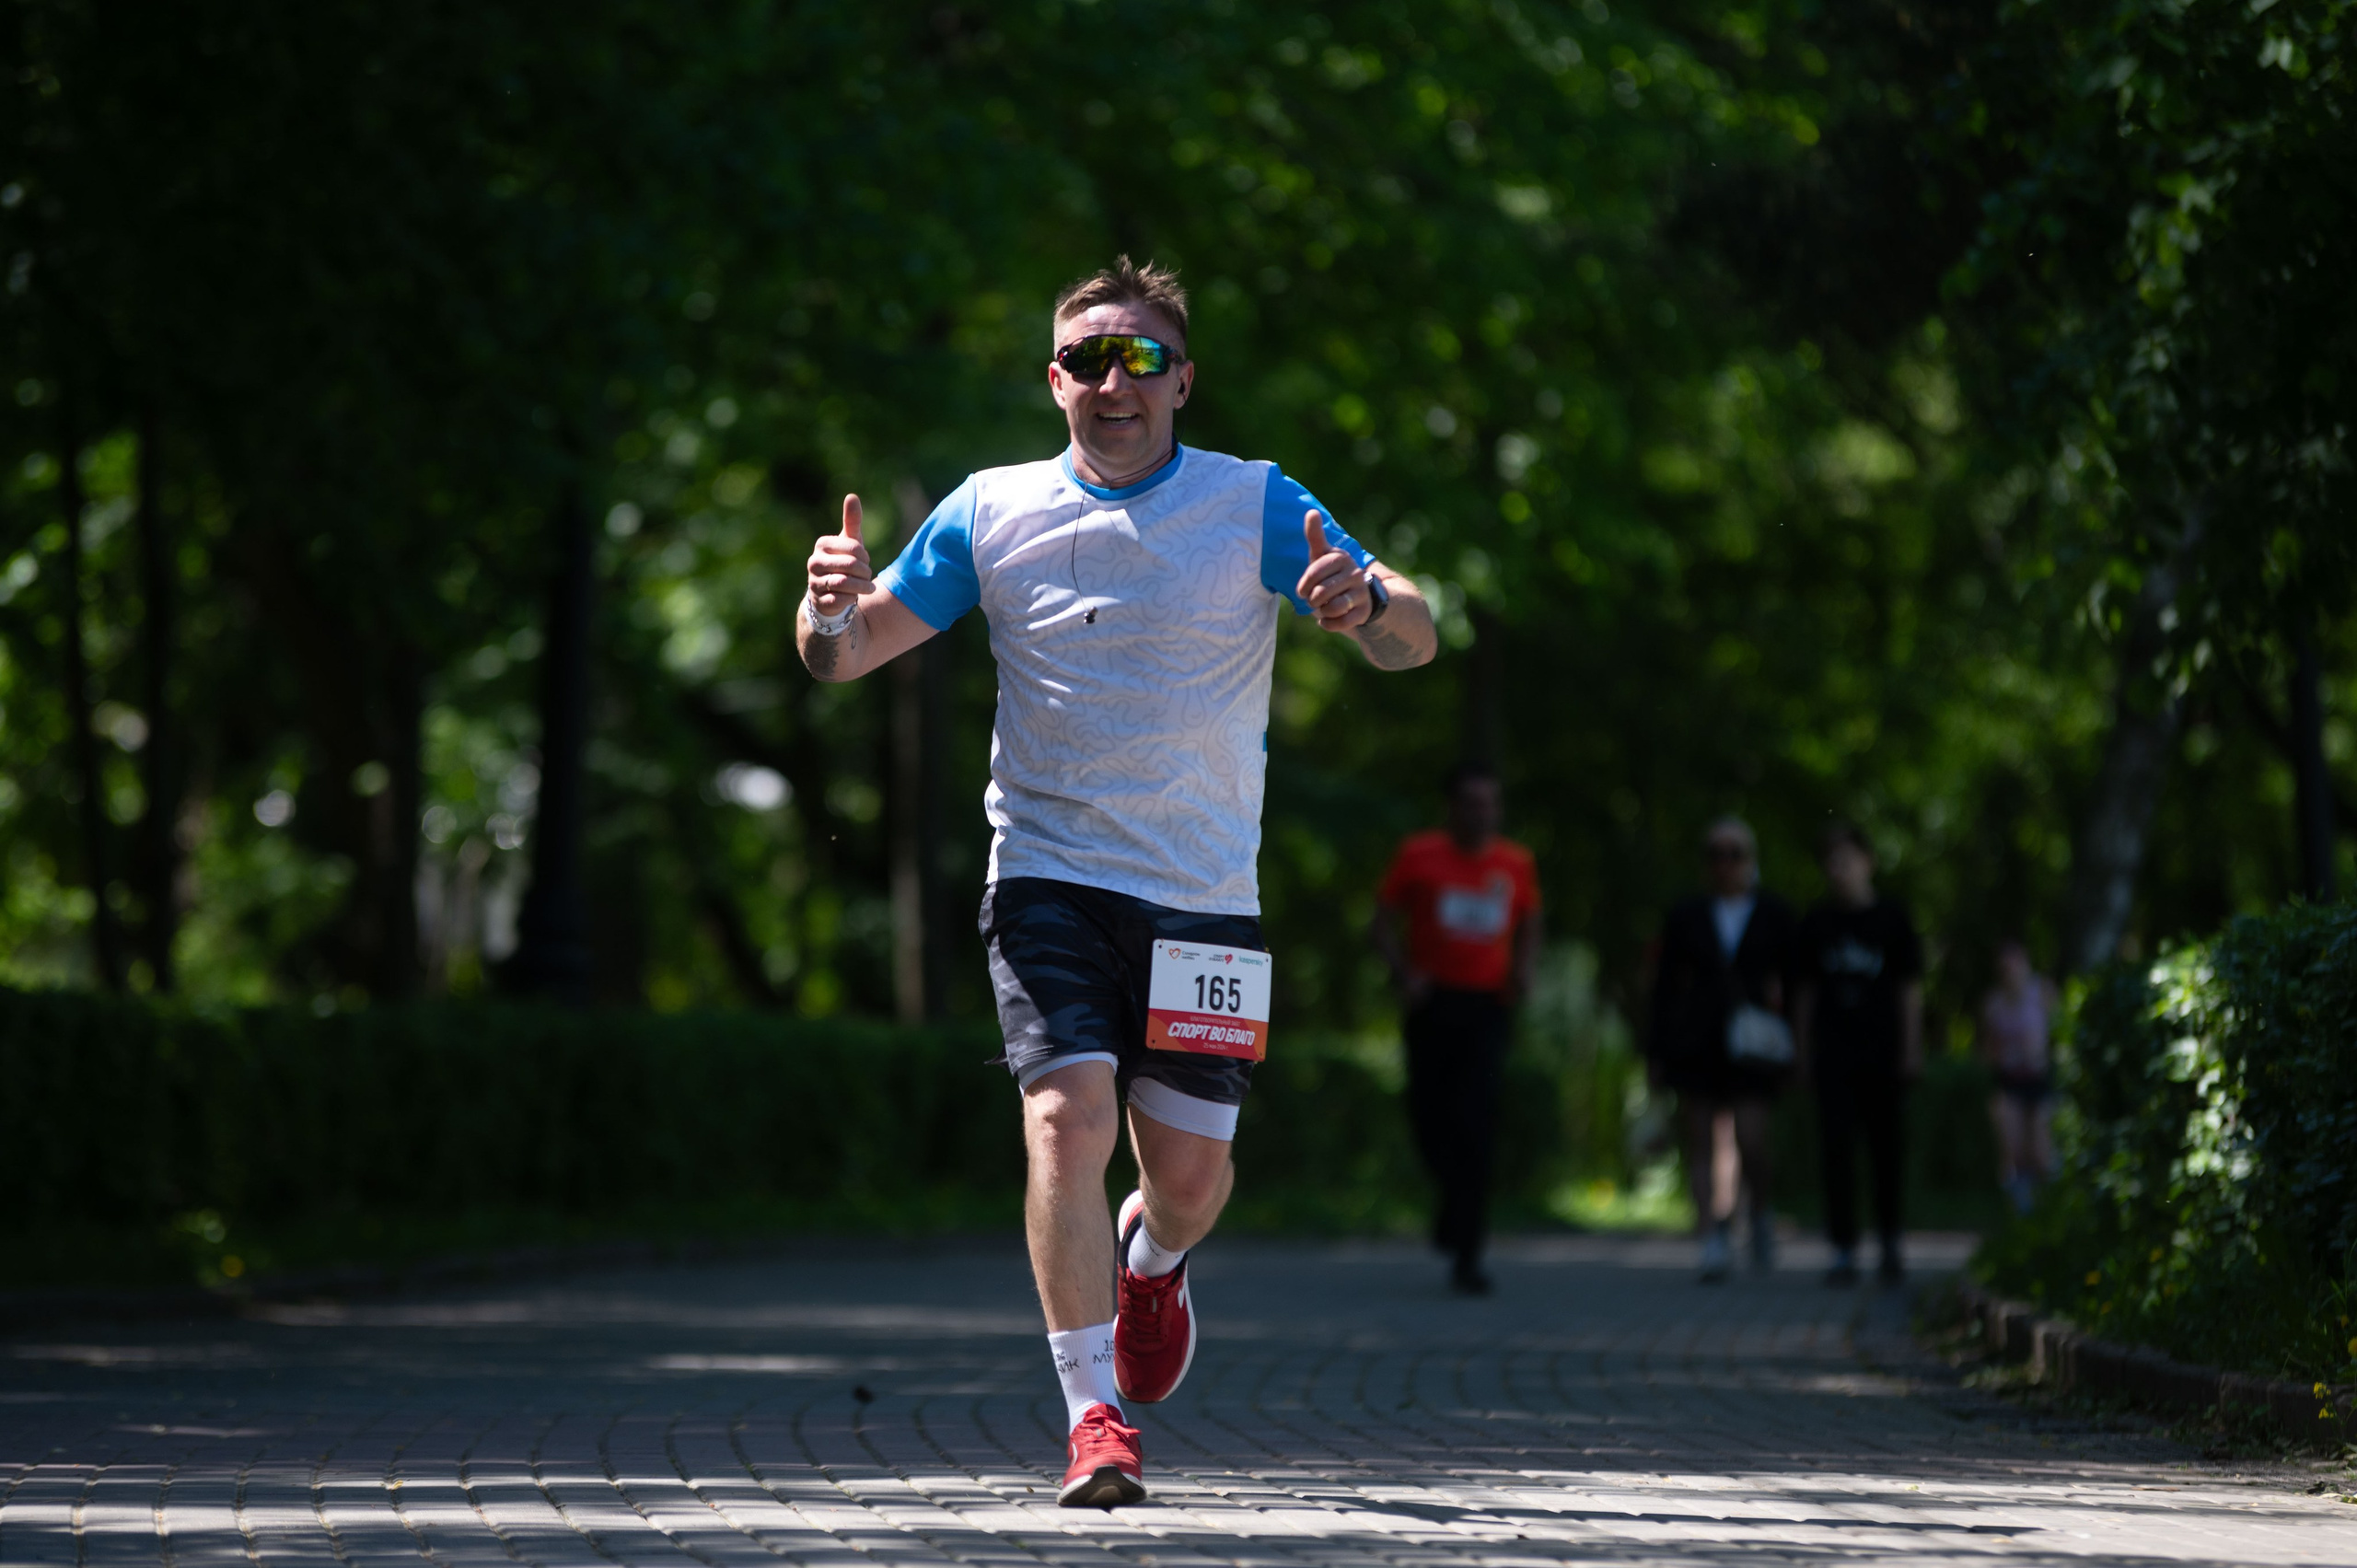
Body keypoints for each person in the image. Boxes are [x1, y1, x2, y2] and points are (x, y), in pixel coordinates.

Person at [795, 257, 1436, 1508]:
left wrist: (1364, 607)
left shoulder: (1255, 502)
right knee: (1064, 1119)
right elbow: (848, 649)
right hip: (1048, 875)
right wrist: (821, 613)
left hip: (1204, 894)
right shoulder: (993, 508)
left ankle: (1155, 1256)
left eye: (1140, 357)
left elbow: (1412, 628)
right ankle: (1095, 1414)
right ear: (1054, 380)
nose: (1114, 379)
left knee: (1189, 1178)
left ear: (1184, 379)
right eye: (1088, 357)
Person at [1372, 763, 1542, 1296]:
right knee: (1428, 1118)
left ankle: (1469, 1251)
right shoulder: (1419, 854)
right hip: (1431, 1002)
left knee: (1476, 1124)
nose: (1482, 812)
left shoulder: (1515, 863)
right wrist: (1404, 974)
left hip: (1488, 1006)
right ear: (1453, 808)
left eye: (1490, 802)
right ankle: (1452, 1203)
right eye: (1471, 802)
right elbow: (1380, 920)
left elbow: (1532, 918)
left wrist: (1524, 969)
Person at [1645, 818, 1798, 1282]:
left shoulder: (1774, 913)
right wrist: (1656, 1050)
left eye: (1734, 853)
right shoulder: (1686, 914)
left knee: (1752, 1139)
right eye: (1715, 853)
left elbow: (1792, 984)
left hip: (1754, 1046)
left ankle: (1760, 1214)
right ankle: (1711, 1237)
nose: (1724, 863)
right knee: (1701, 1139)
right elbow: (1664, 988)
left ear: (1750, 859)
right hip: (1698, 1042)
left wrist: (1793, 1042)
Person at [1793, 822, 1923, 1287]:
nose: (1838, 869)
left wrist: (1911, 1049)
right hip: (1833, 1056)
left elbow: (1910, 990)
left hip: (1883, 1055)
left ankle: (1890, 1239)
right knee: (1836, 1151)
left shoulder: (1892, 919)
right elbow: (1805, 993)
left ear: (1867, 862)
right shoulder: (1816, 923)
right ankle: (1843, 1249)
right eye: (1831, 860)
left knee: (1886, 1150)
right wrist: (1802, 1051)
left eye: (1846, 859)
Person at [1980, 938, 2058, 1214]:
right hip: (2009, 1081)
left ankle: (2049, 1210)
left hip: (2040, 1079)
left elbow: (2061, 1033)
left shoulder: (2042, 993)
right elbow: (1987, 1051)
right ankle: (2021, 1214)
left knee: (2040, 1152)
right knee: (2011, 1150)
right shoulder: (1994, 1003)